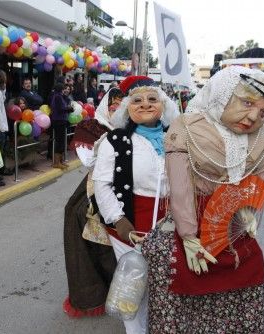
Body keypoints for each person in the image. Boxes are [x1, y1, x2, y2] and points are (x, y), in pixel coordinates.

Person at [160, 66, 264, 333]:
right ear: (222, 95)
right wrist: (189, 236)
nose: (253, 117)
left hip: (235, 226)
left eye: (262, 111)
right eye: (247, 103)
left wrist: (248, 213)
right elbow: (179, 188)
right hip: (191, 219)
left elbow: (260, 176)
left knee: (245, 285)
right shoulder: (187, 125)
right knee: (188, 283)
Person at [92, 76, 179, 333]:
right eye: (137, 100)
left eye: (153, 99)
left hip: (169, 227)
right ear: (126, 107)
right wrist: (120, 221)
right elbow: (102, 185)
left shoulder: (176, 138)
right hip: (130, 228)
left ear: (164, 105)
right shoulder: (115, 141)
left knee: (161, 289)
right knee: (132, 289)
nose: (145, 104)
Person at [62, 87, 123, 318]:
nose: (117, 109)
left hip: (129, 185)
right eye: (113, 105)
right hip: (99, 183)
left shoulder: (138, 125)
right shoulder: (93, 127)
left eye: (121, 104)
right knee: (79, 217)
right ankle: (95, 291)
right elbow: (90, 162)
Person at [50, 83, 74, 169]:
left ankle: (60, 161)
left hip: (61, 121)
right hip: (58, 121)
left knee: (62, 141)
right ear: (61, 89)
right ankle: (57, 162)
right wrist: (70, 109)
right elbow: (61, 109)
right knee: (59, 141)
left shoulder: (59, 96)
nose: (65, 90)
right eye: (64, 88)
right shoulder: (58, 96)